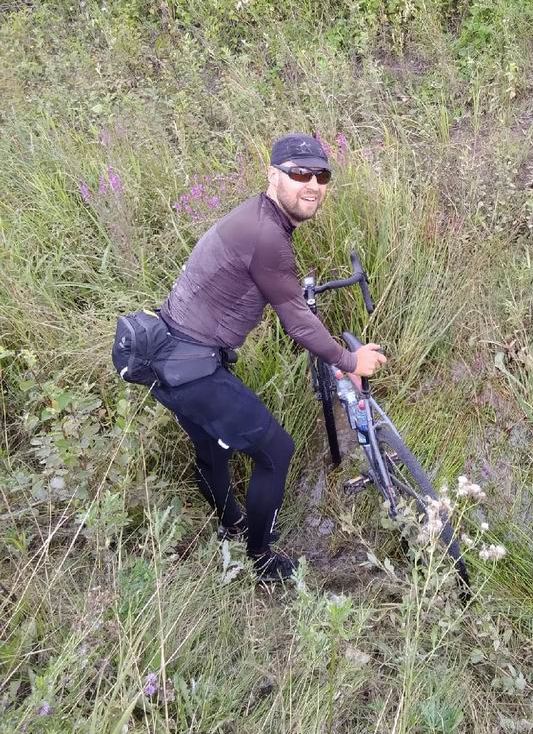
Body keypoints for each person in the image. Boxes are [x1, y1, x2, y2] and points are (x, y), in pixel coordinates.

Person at [150, 133, 386, 584]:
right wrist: (349, 361)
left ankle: (232, 524)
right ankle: (261, 559)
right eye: (299, 174)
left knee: (211, 447)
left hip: (170, 355)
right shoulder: (265, 234)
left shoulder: (257, 219)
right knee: (277, 451)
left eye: (321, 175)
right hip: (192, 366)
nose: (311, 185)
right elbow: (297, 321)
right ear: (272, 175)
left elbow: (282, 300)